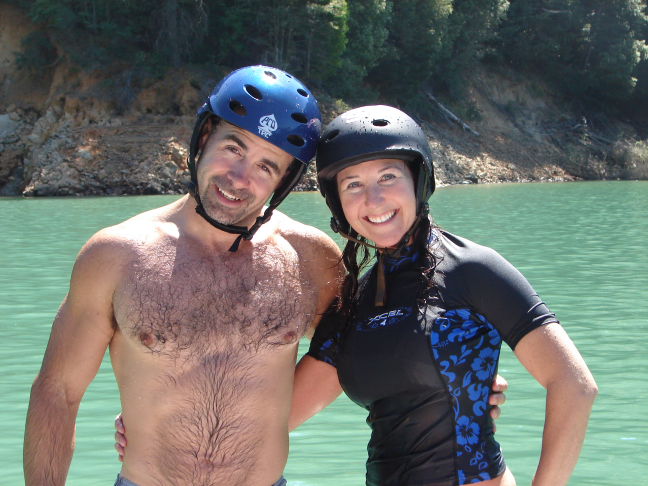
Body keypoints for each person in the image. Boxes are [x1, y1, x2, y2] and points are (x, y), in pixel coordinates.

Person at [23, 65, 343, 486]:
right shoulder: (116, 254)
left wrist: (272, 420)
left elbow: (354, 354)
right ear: (204, 136)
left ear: (285, 181)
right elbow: (57, 393)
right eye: (233, 147)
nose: (239, 178)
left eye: (267, 167)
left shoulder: (310, 258)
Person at [292, 105, 598, 486]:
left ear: (419, 180)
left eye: (388, 176)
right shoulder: (355, 300)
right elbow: (280, 416)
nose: (373, 199)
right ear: (337, 201)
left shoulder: (472, 269)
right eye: (353, 184)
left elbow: (574, 385)